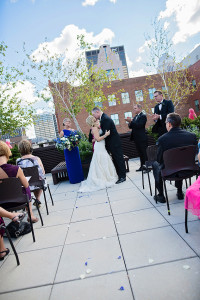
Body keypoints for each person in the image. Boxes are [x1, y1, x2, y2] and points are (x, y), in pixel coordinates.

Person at [152, 113, 198, 203]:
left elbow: (159, 159)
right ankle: (180, 192)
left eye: (166, 123)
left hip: (170, 171)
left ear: (169, 124)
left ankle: (161, 195)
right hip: (189, 169)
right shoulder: (192, 136)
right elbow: (195, 153)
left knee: (155, 164)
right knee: (179, 162)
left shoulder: (162, 139)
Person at [0, 141, 38, 223]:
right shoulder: (16, 169)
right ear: (7, 152)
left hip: (1, 205)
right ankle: (30, 215)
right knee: (26, 187)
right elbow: (26, 184)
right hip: (19, 201)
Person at [79, 116, 118, 192]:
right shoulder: (94, 128)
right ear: (92, 120)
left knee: (103, 160)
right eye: (93, 118)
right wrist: (106, 135)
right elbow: (98, 139)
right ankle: (103, 178)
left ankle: (106, 177)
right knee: (101, 161)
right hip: (99, 146)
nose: (95, 118)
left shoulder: (95, 127)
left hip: (101, 146)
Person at [92, 107, 126, 184]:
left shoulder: (105, 119)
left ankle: (122, 177)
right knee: (115, 159)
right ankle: (119, 175)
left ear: (97, 112)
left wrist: (97, 135)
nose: (94, 116)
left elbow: (106, 133)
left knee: (119, 159)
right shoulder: (103, 118)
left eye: (94, 114)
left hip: (114, 143)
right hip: (111, 143)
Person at [16, 139, 47, 208]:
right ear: (30, 148)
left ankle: (34, 200)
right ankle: (37, 199)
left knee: (32, 183)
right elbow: (43, 172)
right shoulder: (37, 159)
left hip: (25, 185)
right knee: (40, 180)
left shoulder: (18, 161)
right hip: (38, 183)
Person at [60, 118, 84, 184]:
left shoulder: (74, 131)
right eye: (67, 122)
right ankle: (73, 179)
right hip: (68, 151)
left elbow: (78, 140)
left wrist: (77, 141)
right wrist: (66, 144)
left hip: (75, 149)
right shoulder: (62, 132)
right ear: (64, 123)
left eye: (70, 122)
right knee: (70, 165)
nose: (69, 123)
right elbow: (60, 142)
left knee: (77, 163)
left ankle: (80, 178)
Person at [125, 104, 148, 172]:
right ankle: (142, 166)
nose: (134, 109)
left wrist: (131, 121)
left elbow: (139, 125)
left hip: (142, 138)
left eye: (135, 108)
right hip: (136, 138)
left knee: (144, 153)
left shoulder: (143, 116)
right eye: (133, 108)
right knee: (140, 153)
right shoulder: (135, 117)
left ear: (139, 109)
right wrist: (129, 122)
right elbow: (131, 126)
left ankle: (147, 167)